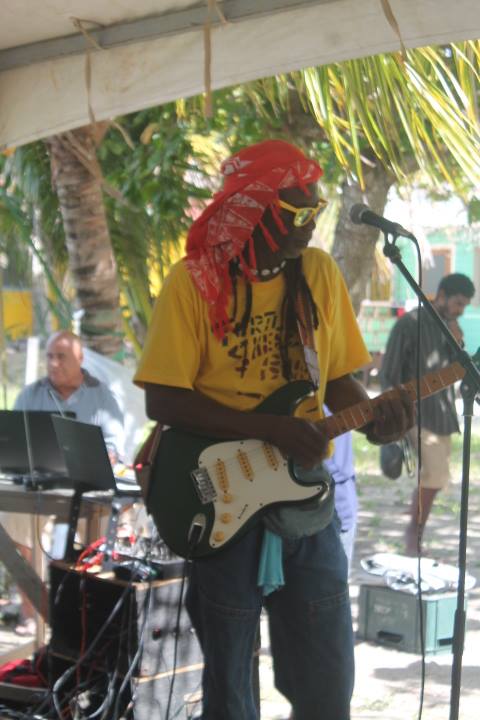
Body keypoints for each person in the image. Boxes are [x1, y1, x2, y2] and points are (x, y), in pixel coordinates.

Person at [134, 140, 413, 720]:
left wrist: (374, 418)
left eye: (316, 211)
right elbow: (163, 397)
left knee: (326, 678)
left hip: (305, 499)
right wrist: (269, 429)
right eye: (296, 213)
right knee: (232, 690)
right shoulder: (194, 282)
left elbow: (337, 379)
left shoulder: (317, 274)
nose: (310, 225)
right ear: (251, 212)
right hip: (220, 493)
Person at [2, 330, 125, 635]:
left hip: (87, 493)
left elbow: (114, 450)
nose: (54, 363)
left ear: (80, 360)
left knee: (101, 530)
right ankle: (32, 613)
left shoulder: (102, 397)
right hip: (39, 488)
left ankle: (78, 620)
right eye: (49, 356)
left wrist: (99, 457)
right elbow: (14, 438)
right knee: (13, 521)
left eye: (62, 356)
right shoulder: (31, 394)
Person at [380, 273, 475, 556]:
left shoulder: (451, 327)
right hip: (418, 415)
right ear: (441, 295)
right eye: (458, 303)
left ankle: (416, 534)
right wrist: (399, 413)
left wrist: (459, 343)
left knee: (435, 478)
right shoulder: (409, 324)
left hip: (443, 415)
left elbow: (457, 370)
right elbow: (389, 374)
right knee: (434, 476)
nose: (460, 310)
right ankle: (413, 536)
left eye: (464, 306)